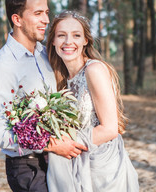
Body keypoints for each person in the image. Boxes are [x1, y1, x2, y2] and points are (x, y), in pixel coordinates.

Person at [0, 0, 87, 192]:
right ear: (17, 20)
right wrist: (51, 144)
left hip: (58, 161)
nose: (46, 20)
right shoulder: (1, 68)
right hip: (28, 167)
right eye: (38, 14)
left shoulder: (45, 54)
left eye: (46, 12)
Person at [46, 10, 139, 191]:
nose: (68, 42)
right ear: (54, 41)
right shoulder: (62, 78)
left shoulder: (94, 70)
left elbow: (110, 129)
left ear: (85, 40)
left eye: (76, 35)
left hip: (103, 170)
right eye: (61, 35)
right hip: (80, 162)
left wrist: (63, 142)